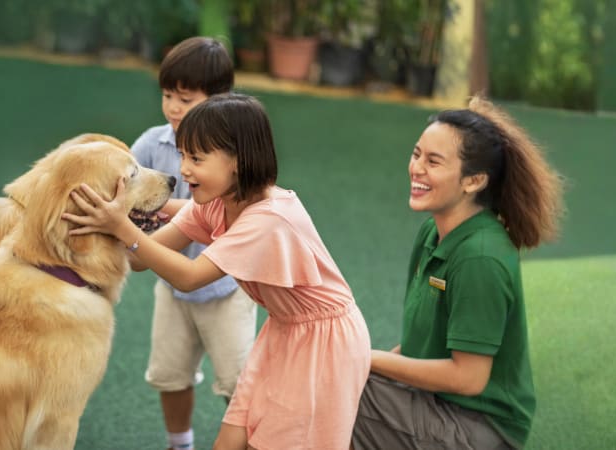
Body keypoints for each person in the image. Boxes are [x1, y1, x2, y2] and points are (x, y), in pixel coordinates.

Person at [66, 93, 371, 450]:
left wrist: (122, 226)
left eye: (196, 158)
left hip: (325, 342)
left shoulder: (266, 219)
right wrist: (117, 219)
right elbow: (141, 259)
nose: (183, 169)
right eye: (183, 155)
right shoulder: (218, 203)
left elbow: (189, 276)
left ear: (238, 162)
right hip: (285, 330)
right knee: (233, 438)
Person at [351, 97, 566, 450]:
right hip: (436, 402)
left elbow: (469, 378)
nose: (417, 168)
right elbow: (421, 345)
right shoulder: (432, 233)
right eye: (417, 154)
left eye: (433, 161)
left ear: (473, 181)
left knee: (340, 392)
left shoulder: (479, 257)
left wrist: (365, 360)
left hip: (480, 427)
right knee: (337, 382)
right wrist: (363, 366)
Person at [128, 36, 257, 450]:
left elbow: (218, 206)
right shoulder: (152, 144)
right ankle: (179, 443)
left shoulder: (233, 152)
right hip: (172, 289)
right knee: (169, 375)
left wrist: (156, 209)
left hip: (227, 289)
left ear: (220, 101)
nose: (172, 107)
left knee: (239, 386)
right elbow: (125, 186)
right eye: (167, 95)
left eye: (185, 99)